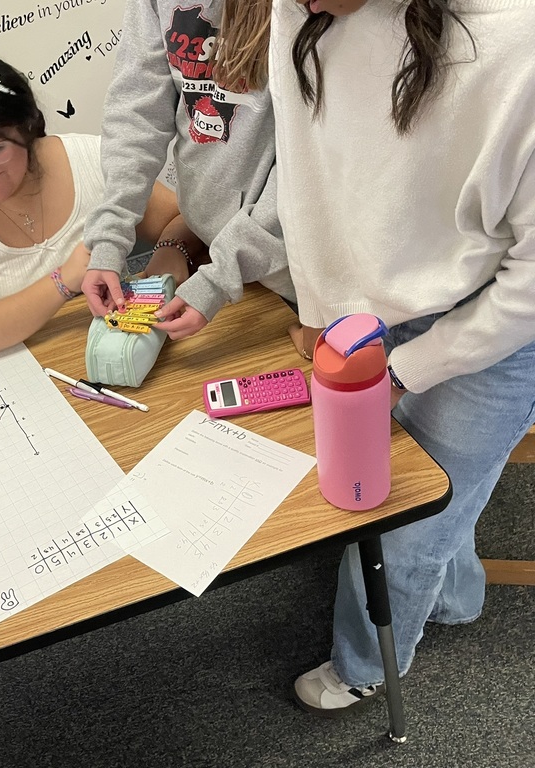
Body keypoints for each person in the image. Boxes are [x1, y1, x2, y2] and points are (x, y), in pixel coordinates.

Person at [268, 0, 535, 715]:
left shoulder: (519, 38)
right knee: (422, 497)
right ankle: (454, 596)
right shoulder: (302, 12)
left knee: (409, 522)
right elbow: (312, 169)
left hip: (494, 313)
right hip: (369, 309)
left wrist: (403, 372)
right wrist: (324, 313)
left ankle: (365, 667)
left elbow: (533, 282)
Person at [0, 48, 204, 363]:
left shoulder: (93, 159)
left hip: (124, 348)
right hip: (23, 371)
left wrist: (171, 252)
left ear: (25, 127)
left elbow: (183, 218)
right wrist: (64, 279)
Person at [82, 0, 296, 340]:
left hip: (298, 270)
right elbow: (136, 114)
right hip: (221, 261)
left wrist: (220, 277)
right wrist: (110, 236)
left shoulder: (306, 10)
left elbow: (307, 172)